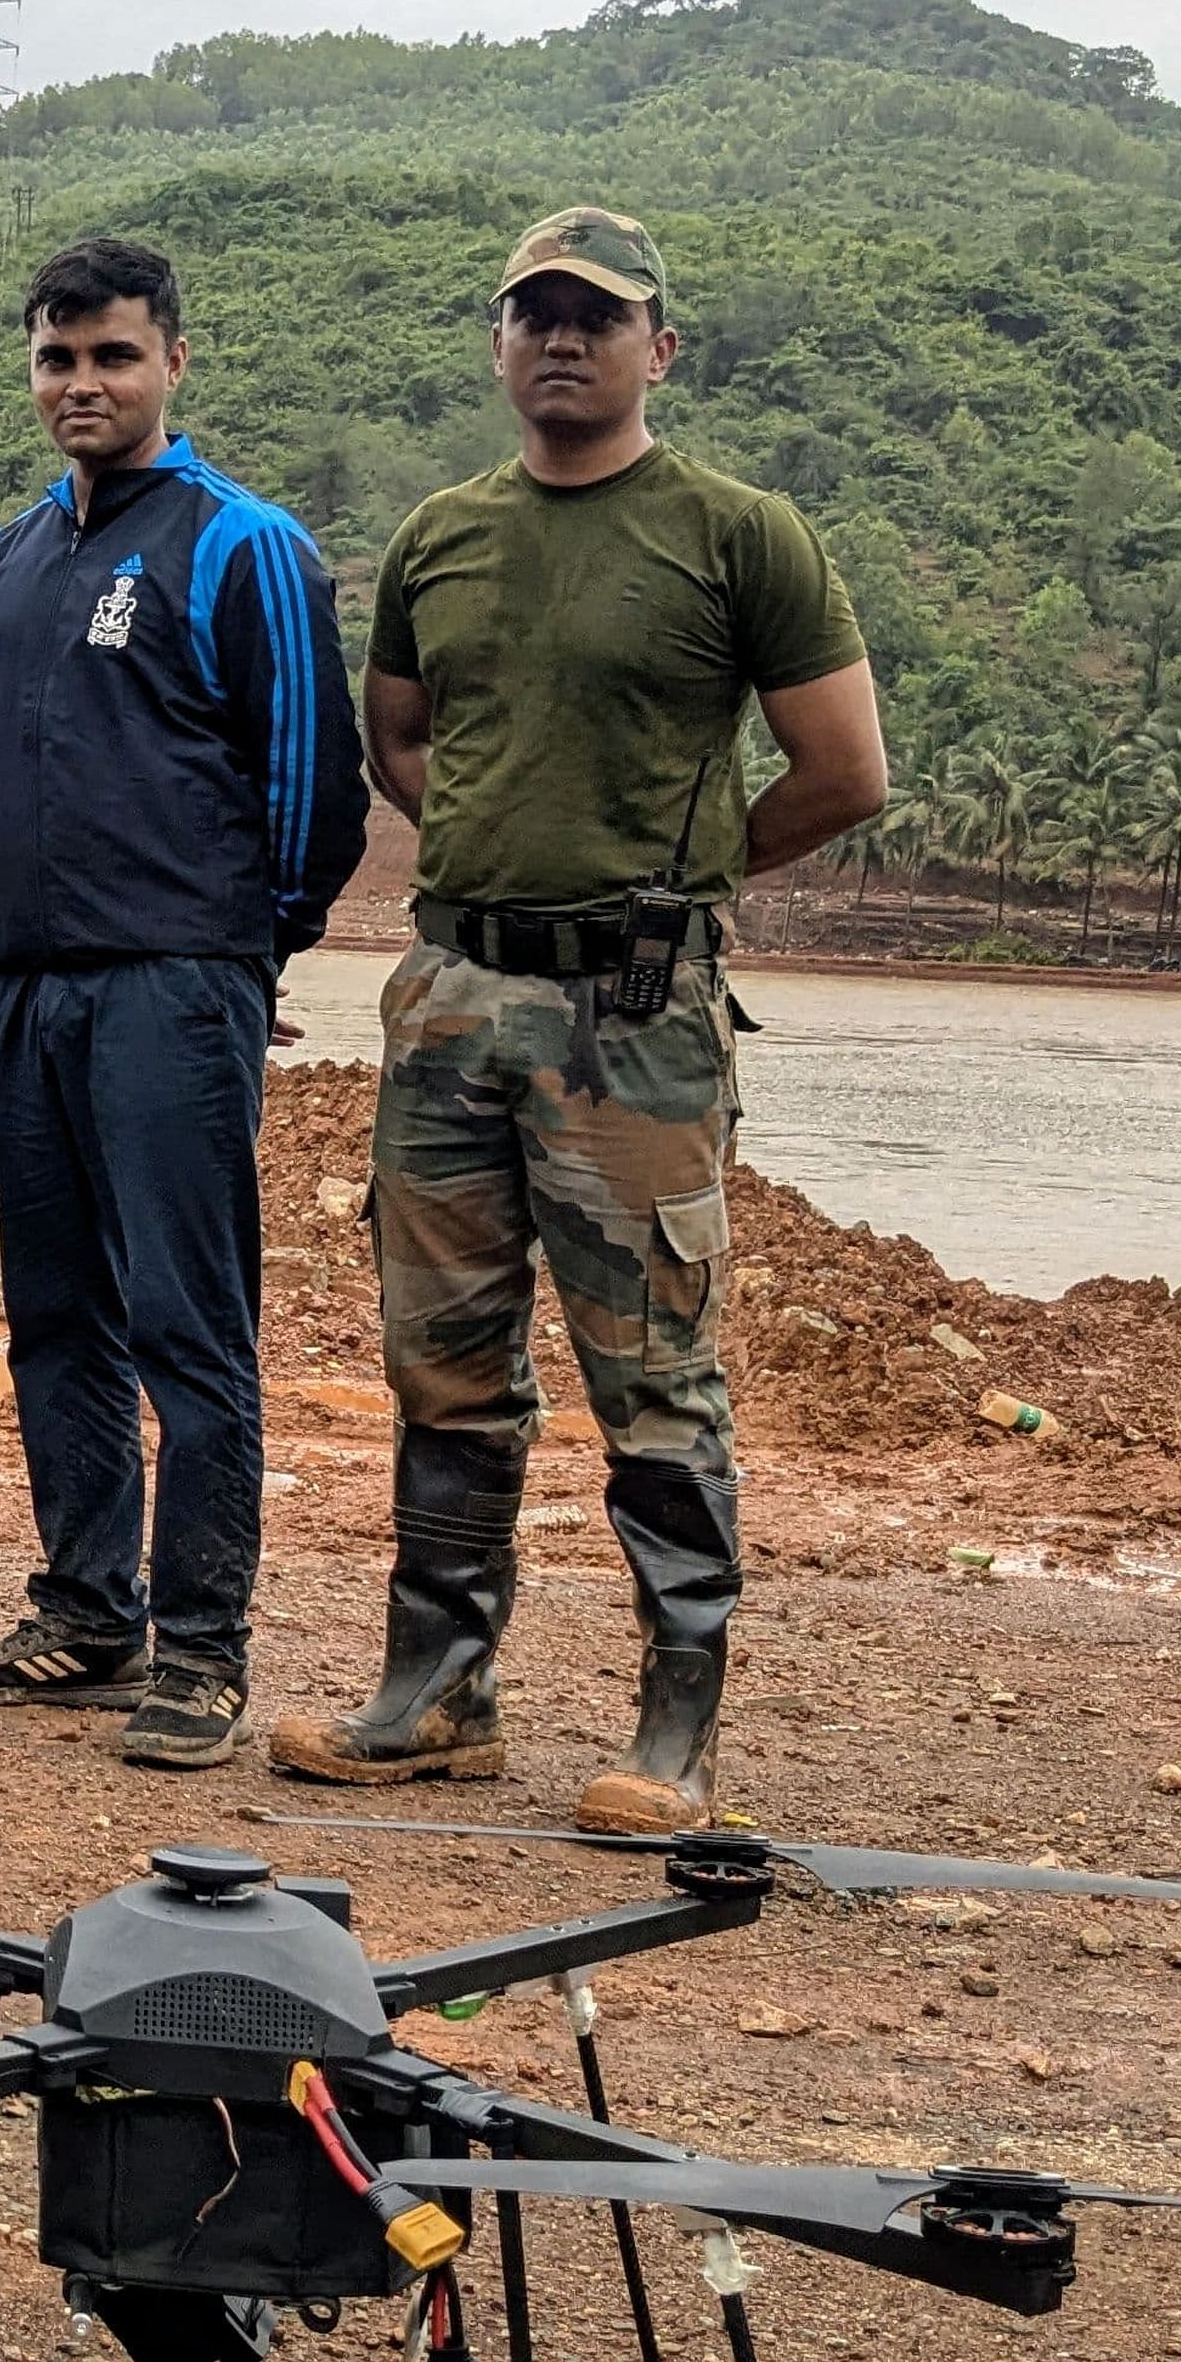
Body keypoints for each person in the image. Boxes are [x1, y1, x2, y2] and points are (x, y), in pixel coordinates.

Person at [272, 207, 883, 1830]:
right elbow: (404, 742)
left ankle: (673, 1730)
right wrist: (505, 867)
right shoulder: (445, 537)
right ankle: (436, 1694)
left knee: (654, 1374)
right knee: (446, 1366)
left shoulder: (739, 533)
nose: (562, 339)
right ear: (498, 343)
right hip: (455, 999)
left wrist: (675, 879)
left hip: (635, 1014)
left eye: (597, 318)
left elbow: (843, 772)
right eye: (534, 313)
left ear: (658, 349)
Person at [0, 237, 367, 1770]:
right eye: (58, 358)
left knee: (192, 1319)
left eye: (114, 354)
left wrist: (251, 952)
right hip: (26, 980)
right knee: (55, 1315)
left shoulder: (243, 544)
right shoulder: (9, 557)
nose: (83, 384)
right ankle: (86, 1608)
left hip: (175, 984)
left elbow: (316, 784)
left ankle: (204, 1644)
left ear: (175, 358)